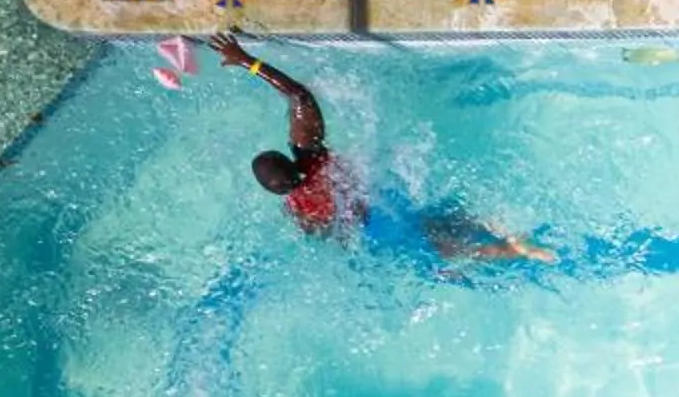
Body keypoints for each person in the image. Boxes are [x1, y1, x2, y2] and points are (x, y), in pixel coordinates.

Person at [207, 30, 549, 264]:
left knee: (440, 249)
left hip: (376, 228)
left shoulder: (300, 210)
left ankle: (511, 251)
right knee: (444, 218)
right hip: (385, 193)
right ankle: (508, 235)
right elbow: (299, 95)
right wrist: (247, 61)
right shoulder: (311, 157)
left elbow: (334, 237)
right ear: (289, 161)